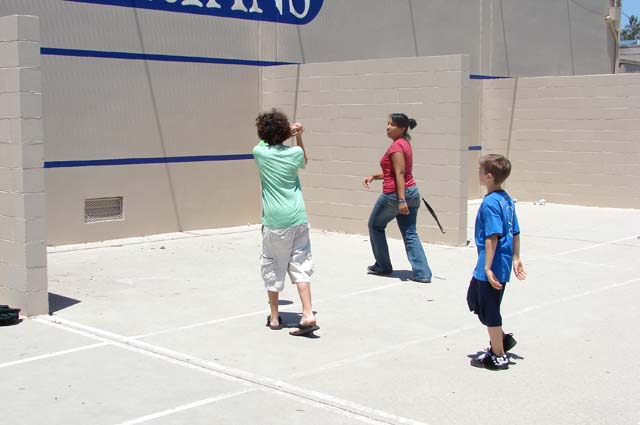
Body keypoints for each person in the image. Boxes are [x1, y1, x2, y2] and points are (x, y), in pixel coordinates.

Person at [253, 109, 319, 337]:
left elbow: (263, 142)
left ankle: (274, 317)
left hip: (275, 221)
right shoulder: (295, 152)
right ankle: (307, 312)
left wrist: (285, 133)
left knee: (273, 265)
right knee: (301, 264)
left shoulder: (260, 152)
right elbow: (304, 161)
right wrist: (297, 136)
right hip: (298, 218)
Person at [467, 154, 527, 370]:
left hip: (492, 263)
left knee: (490, 309)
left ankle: (498, 354)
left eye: (480, 170)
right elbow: (515, 231)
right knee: (474, 301)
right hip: (493, 262)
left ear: (489, 176)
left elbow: (493, 236)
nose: (478, 173)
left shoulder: (491, 203)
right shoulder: (505, 199)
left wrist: (487, 268)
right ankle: (501, 339)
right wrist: (516, 257)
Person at [362, 113, 432, 283]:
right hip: (411, 192)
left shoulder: (396, 147)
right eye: (388, 123)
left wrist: (401, 200)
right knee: (410, 232)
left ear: (402, 128)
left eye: (392, 125)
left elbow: (400, 173)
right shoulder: (404, 143)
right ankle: (422, 273)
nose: (388, 127)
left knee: (375, 226)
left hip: (395, 195)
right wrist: (374, 176)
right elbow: (394, 172)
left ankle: (383, 266)